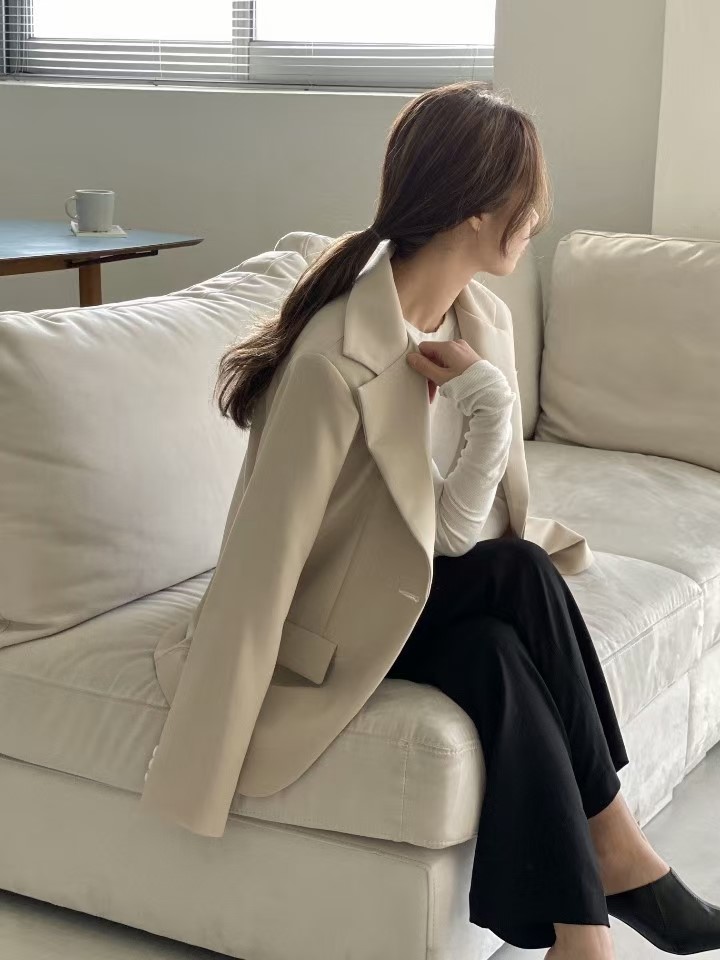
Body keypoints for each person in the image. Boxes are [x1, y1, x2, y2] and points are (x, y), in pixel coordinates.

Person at [214, 82, 720, 957]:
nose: (539, 218)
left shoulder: (475, 319)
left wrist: (488, 400)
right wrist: (216, 733)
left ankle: (581, 939)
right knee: (519, 573)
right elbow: (265, 555)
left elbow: (450, 535)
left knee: (495, 652)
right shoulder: (336, 354)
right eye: (529, 198)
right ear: (478, 211)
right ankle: (620, 850)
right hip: (329, 623)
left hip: (405, 599)